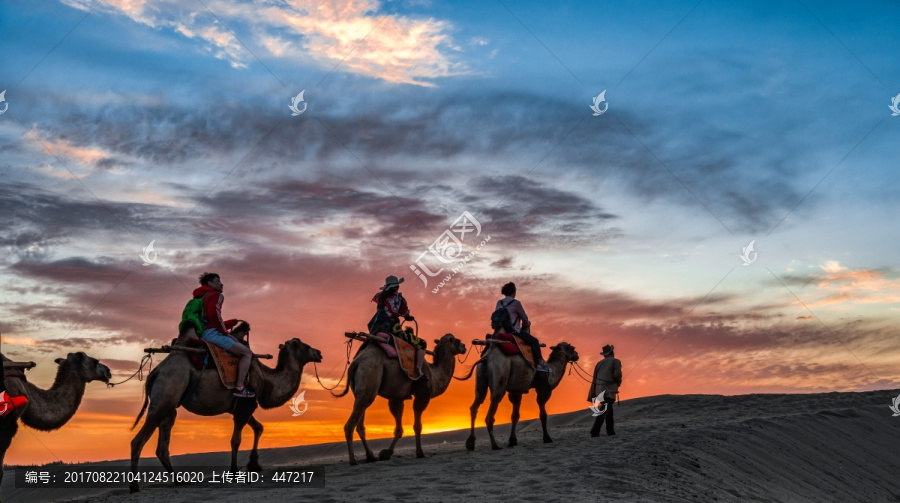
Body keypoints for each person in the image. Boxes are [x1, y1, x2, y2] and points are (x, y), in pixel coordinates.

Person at [192, 272, 256, 398]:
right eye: (218, 281)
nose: (222, 284)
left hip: (203, 333)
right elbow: (214, 314)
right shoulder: (217, 295)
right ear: (210, 283)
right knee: (247, 354)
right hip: (212, 334)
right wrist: (226, 333)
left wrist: (230, 322)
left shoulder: (201, 298)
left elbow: (209, 319)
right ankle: (239, 387)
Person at [369, 275, 427, 380]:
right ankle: (419, 370)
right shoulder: (399, 299)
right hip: (394, 329)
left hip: (377, 328)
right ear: (396, 287)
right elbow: (405, 313)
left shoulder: (380, 297)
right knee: (422, 343)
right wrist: (408, 317)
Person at [495, 282, 550, 373]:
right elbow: (524, 317)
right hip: (514, 331)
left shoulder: (499, 302)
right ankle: (540, 364)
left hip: (500, 331)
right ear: (513, 292)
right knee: (534, 341)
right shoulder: (516, 303)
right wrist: (526, 323)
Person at [588, 344, 622, 437]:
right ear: (612, 352)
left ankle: (610, 431)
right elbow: (617, 374)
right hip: (609, 390)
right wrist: (618, 383)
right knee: (604, 410)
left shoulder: (599, 363)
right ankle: (595, 431)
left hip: (599, 391)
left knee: (609, 411)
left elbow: (594, 378)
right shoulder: (616, 361)